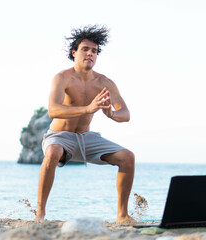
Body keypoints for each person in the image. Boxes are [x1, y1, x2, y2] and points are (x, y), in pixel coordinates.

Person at [34, 25, 135, 225]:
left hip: (86, 138)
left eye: (94, 51)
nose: (90, 54)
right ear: (74, 53)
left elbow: (126, 114)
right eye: (85, 49)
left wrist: (113, 114)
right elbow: (53, 110)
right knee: (52, 152)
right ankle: (40, 213)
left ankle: (122, 215)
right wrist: (87, 109)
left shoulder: (104, 82)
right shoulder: (63, 77)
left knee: (127, 157)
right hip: (59, 136)